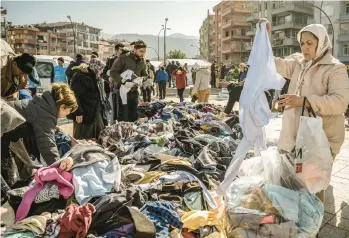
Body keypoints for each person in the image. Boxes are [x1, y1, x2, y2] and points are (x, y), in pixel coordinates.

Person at [261, 19, 349, 202]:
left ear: (322, 42)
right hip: (297, 136)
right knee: (298, 181)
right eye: (302, 43)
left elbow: (340, 102)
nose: (304, 48)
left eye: (310, 43)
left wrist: (303, 101)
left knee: (314, 185)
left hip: (321, 138)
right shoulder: (298, 63)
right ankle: (298, 222)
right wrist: (264, 36)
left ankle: (314, 226)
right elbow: (273, 63)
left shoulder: (335, 68)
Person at [5, 83, 78, 166]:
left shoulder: (43, 104)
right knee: (6, 169)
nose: (66, 115)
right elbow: (47, 146)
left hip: (5, 131)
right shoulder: (46, 114)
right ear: (62, 107)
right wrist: (58, 167)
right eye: (67, 112)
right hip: (2, 129)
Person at [110, 40, 147, 122]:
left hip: (135, 91)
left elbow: (144, 74)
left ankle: (132, 134)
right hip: (122, 92)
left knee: (134, 116)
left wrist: (143, 79)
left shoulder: (142, 61)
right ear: (134, 49)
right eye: (141, 51)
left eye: (144, 52)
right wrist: (124, 82)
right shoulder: (124, 58)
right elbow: (113, 72)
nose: (143, 54)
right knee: (124, 117)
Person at [69, 59, 106, 140]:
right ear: (95, 68)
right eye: (100, 69)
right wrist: (78, 112)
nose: (101, 72)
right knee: (84, 138)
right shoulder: (80, 77)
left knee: (97, 137)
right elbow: (74, 95)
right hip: (84, 114)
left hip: (93, 111)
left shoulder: (93, 76)